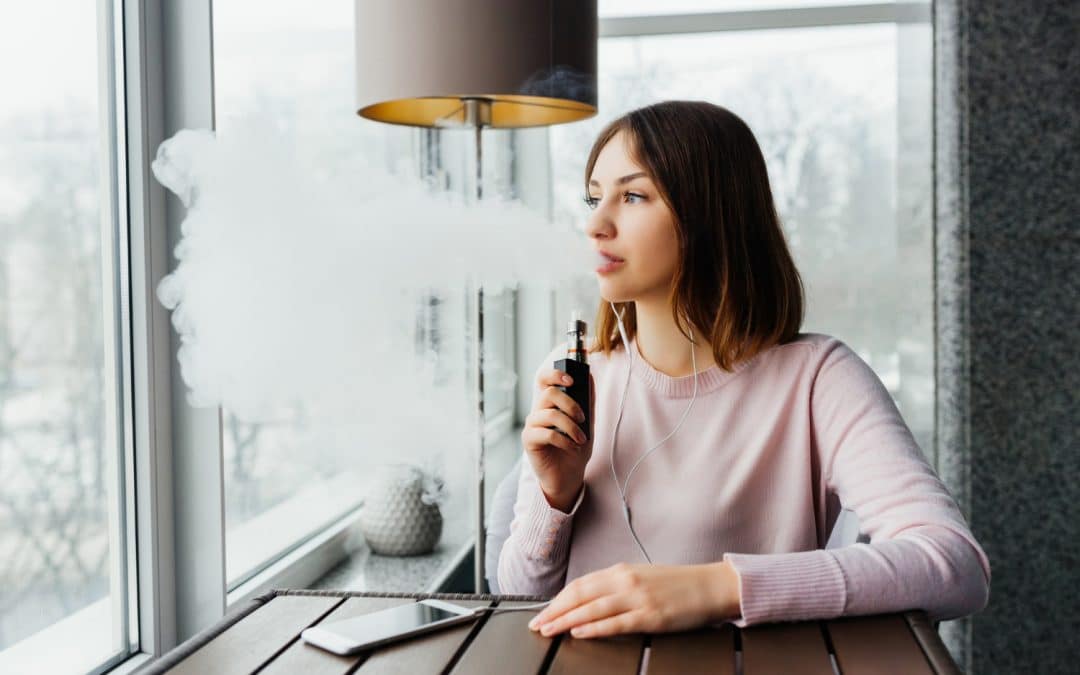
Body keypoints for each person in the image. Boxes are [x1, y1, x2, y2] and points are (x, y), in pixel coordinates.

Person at [497, 100, 990, 640]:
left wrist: (714, 589)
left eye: (633, 196)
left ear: (712, 215)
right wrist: (556, 495)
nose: (594, 223)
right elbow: (520, 605)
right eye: (594, 197)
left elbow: (954, 566)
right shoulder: (575, 372)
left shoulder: (818, 379)